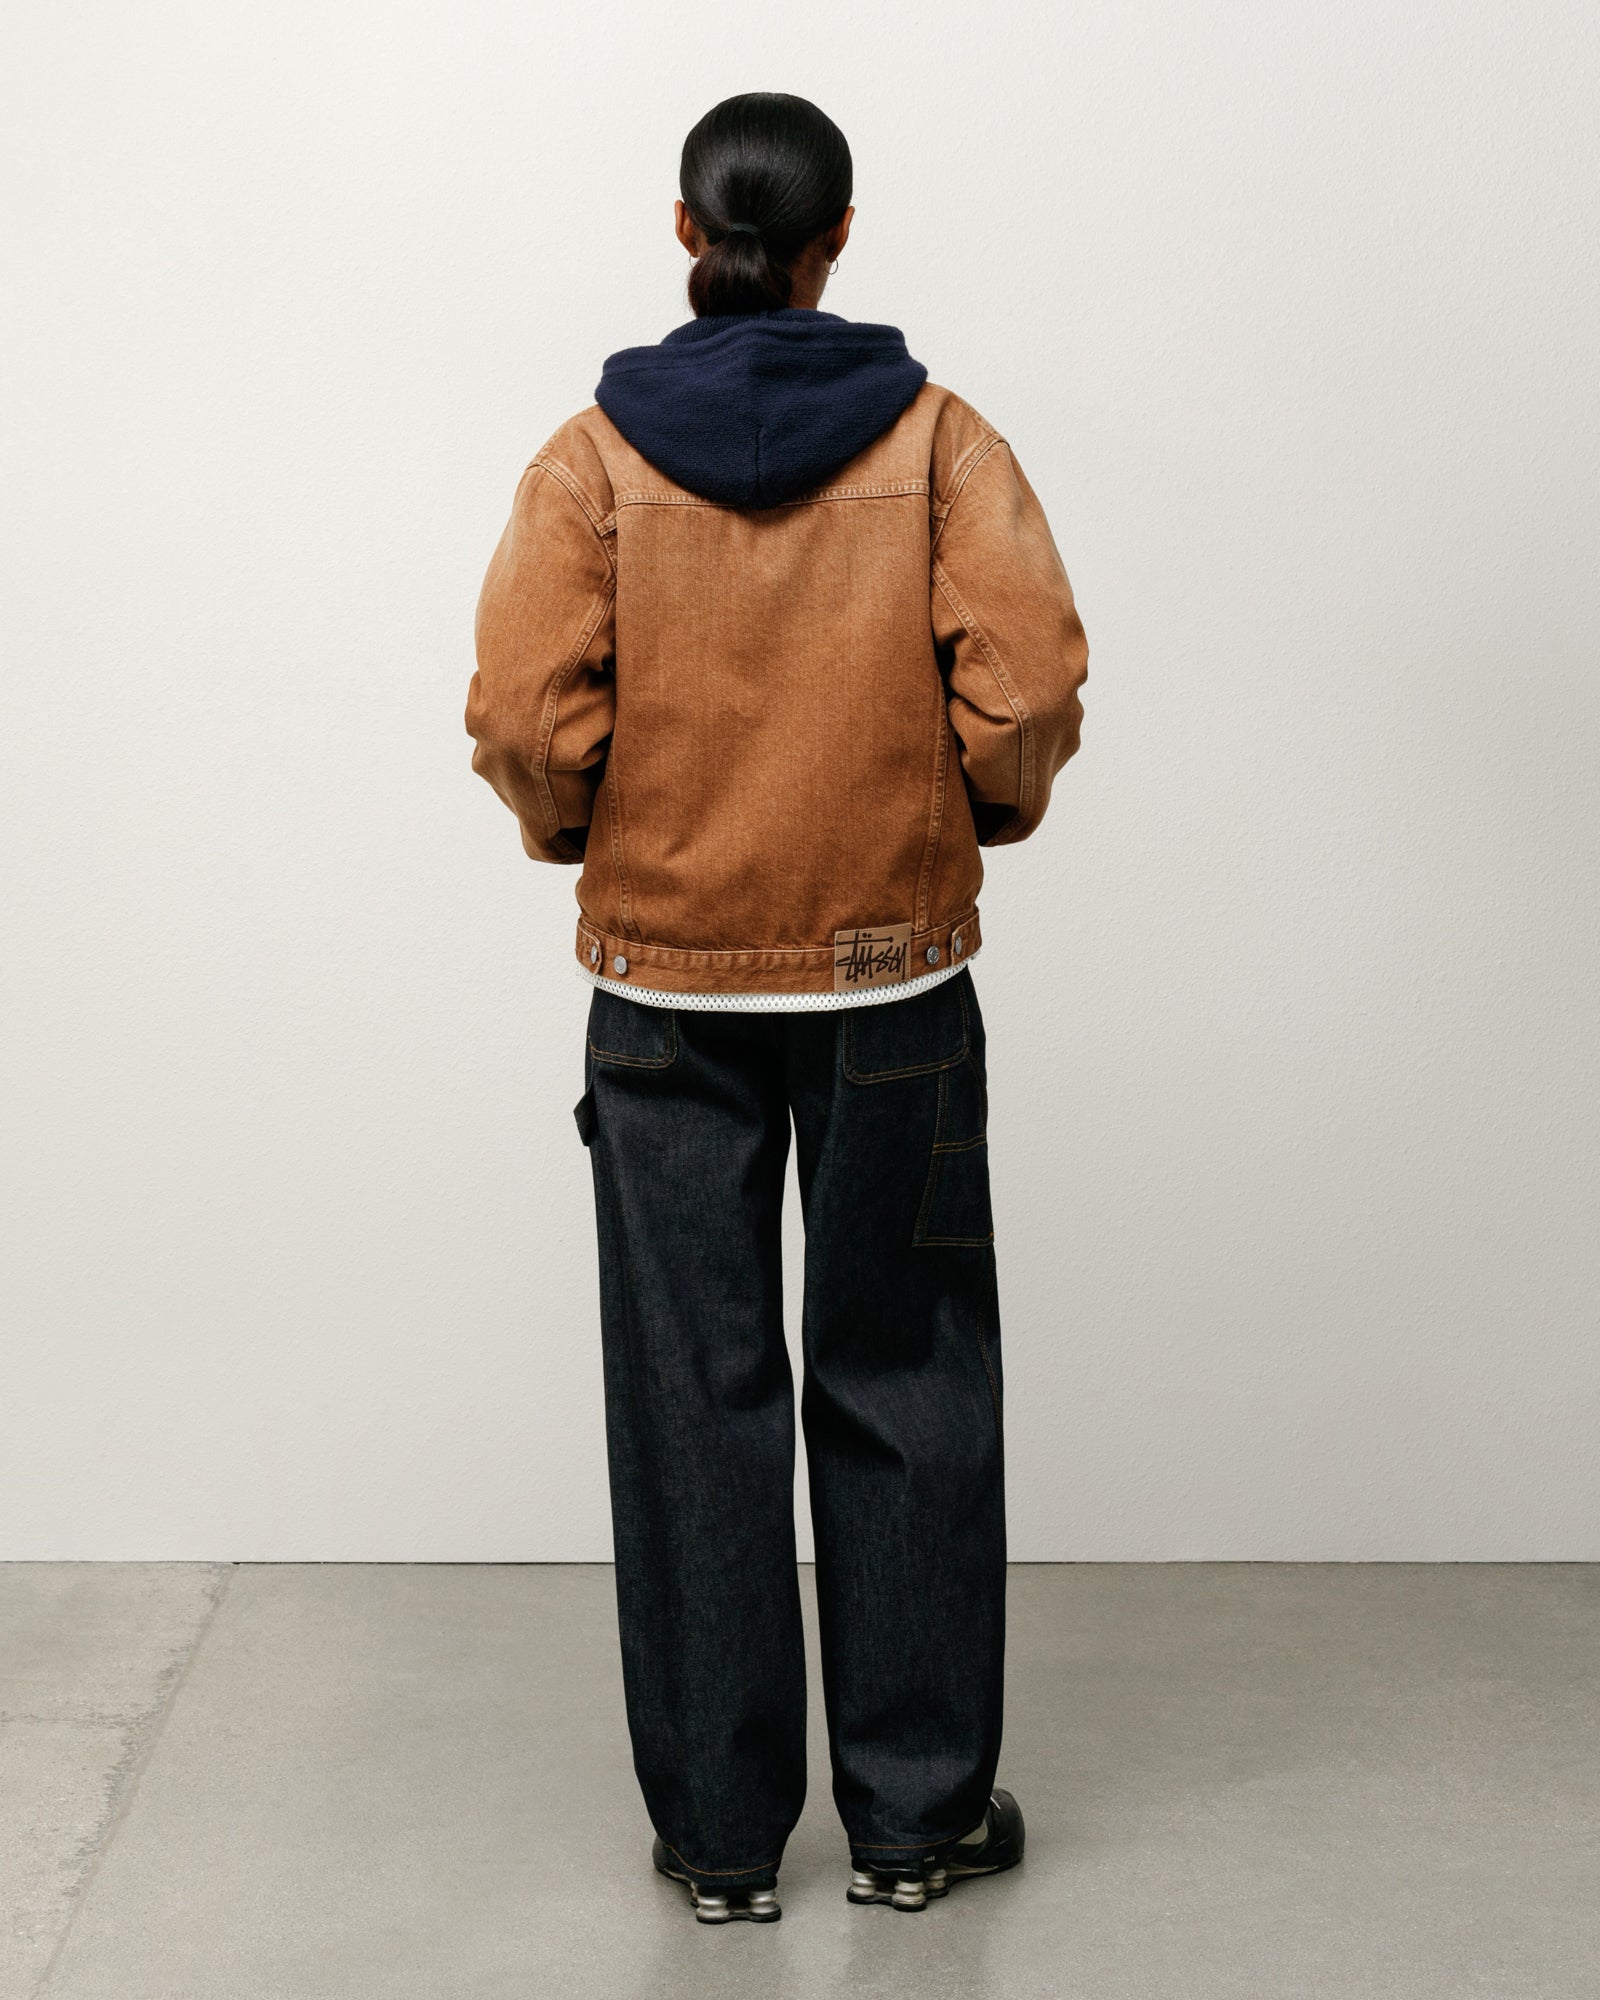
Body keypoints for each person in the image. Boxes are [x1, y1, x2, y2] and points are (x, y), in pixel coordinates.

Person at [466, 91, 1088, 1926]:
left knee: (693, 1396)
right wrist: (963, 820)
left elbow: (523, 716)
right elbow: (1030, 687)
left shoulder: (590, 461)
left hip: (661, 984)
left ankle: (725, 1844)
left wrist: (592, 835)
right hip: (895, 977)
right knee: (906, 1374)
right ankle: (916, 1823)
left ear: (687, 232)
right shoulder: (942, 440)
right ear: (839, 240)